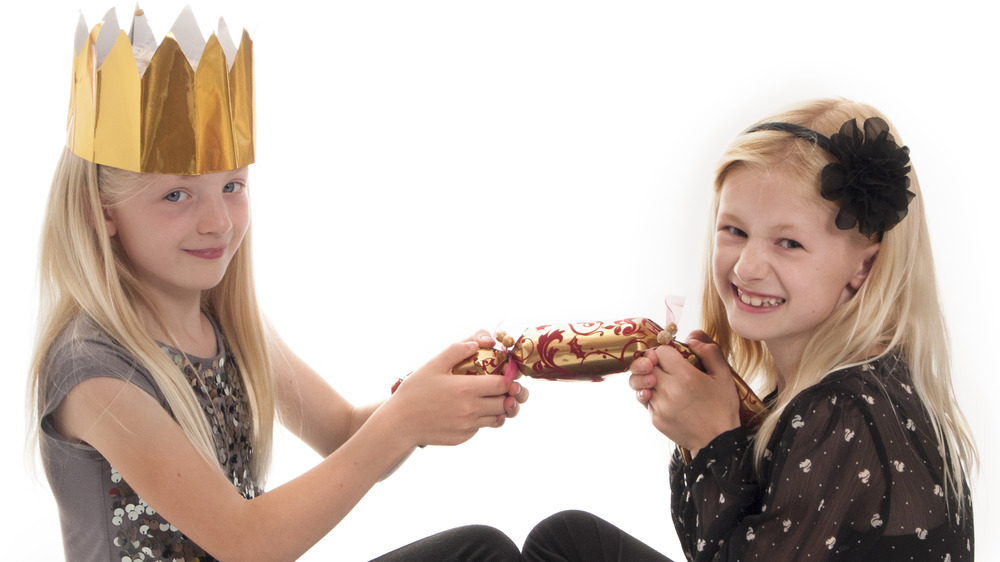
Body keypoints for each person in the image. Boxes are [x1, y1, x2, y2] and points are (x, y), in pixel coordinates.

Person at [27, 7, 527, 561]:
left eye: (232, 186)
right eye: (177, 195)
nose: (218, 221)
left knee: (481, 551)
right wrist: (406, 422)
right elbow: (249, 543)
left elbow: (343, 431)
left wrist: (440, 392)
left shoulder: (227, 328)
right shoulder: (94, 371)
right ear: (104, 213)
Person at [522, 98, 977, 561]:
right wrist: (724, 426)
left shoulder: (844, 410)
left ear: (865, 264)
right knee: (567, 540)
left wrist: (710, 442)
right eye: (734, 231)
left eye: (789, 242)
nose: (747, 266)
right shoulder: (831, 388)